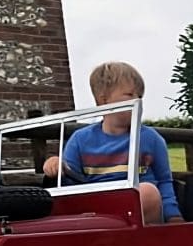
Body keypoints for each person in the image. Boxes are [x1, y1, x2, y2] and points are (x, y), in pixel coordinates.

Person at [43, 61, 183, 224]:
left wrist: (174, 216)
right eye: (130, 95)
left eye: (140, 96)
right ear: (104, 101)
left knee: (147, 192)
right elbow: (71, 182)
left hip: (142, 209)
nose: (137, 101)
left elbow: (164, 181)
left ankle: (150, 239)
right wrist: (57, 165)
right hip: (99, 210)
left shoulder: (151, 138)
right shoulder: (80, 139)